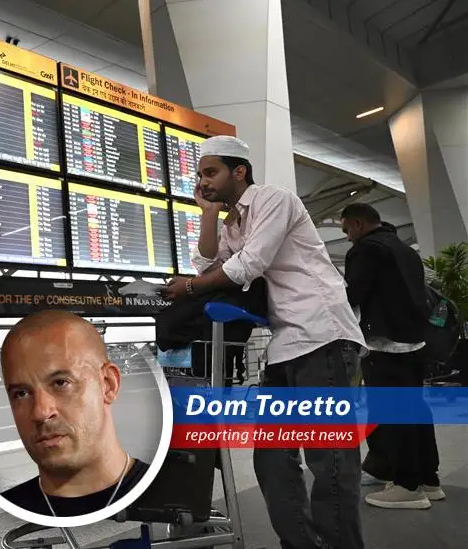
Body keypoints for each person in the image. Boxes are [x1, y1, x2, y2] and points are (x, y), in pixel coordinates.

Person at [161, 136, 366, 549]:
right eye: (200, 174)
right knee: (271, 456)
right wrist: (208, 214)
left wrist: (191, 288)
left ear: (239, 171)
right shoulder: (233, 222)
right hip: (285, 344)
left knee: (328, 458)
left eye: (211, 172)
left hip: (322, 334)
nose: (203, 181)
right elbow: (206, 263)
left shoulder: (275, 199)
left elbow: (247, 265)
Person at [341, 203, 443, 509]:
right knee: (416, 409)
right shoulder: (405, 249)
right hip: (414, 342)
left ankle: (407, 486)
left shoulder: (366, 249)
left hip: (384, 343)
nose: (347, 237)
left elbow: (351, 296)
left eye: (346, 230)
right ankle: (428, 479)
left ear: (358, 224)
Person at [0, 311, 149, 517]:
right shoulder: (7, 507)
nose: (41, 412)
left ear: (107, 385)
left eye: (61, 383)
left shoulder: (171, 492)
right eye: (21, 393)